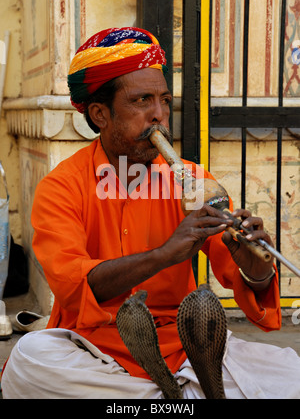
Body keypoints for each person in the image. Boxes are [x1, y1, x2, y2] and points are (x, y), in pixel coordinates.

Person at [1, 27, 300, 399]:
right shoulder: (62, 187)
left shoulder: (193, 181)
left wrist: (256, 261)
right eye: (142, 101)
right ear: (100, 114)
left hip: (184, 347)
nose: (159, 116)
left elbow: (246, 279)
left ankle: (169, 395)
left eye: (164, 100)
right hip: (96, 349)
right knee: (30, 359)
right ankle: (181, 397)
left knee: (291, 373)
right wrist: (163, 255)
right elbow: (74, 286)